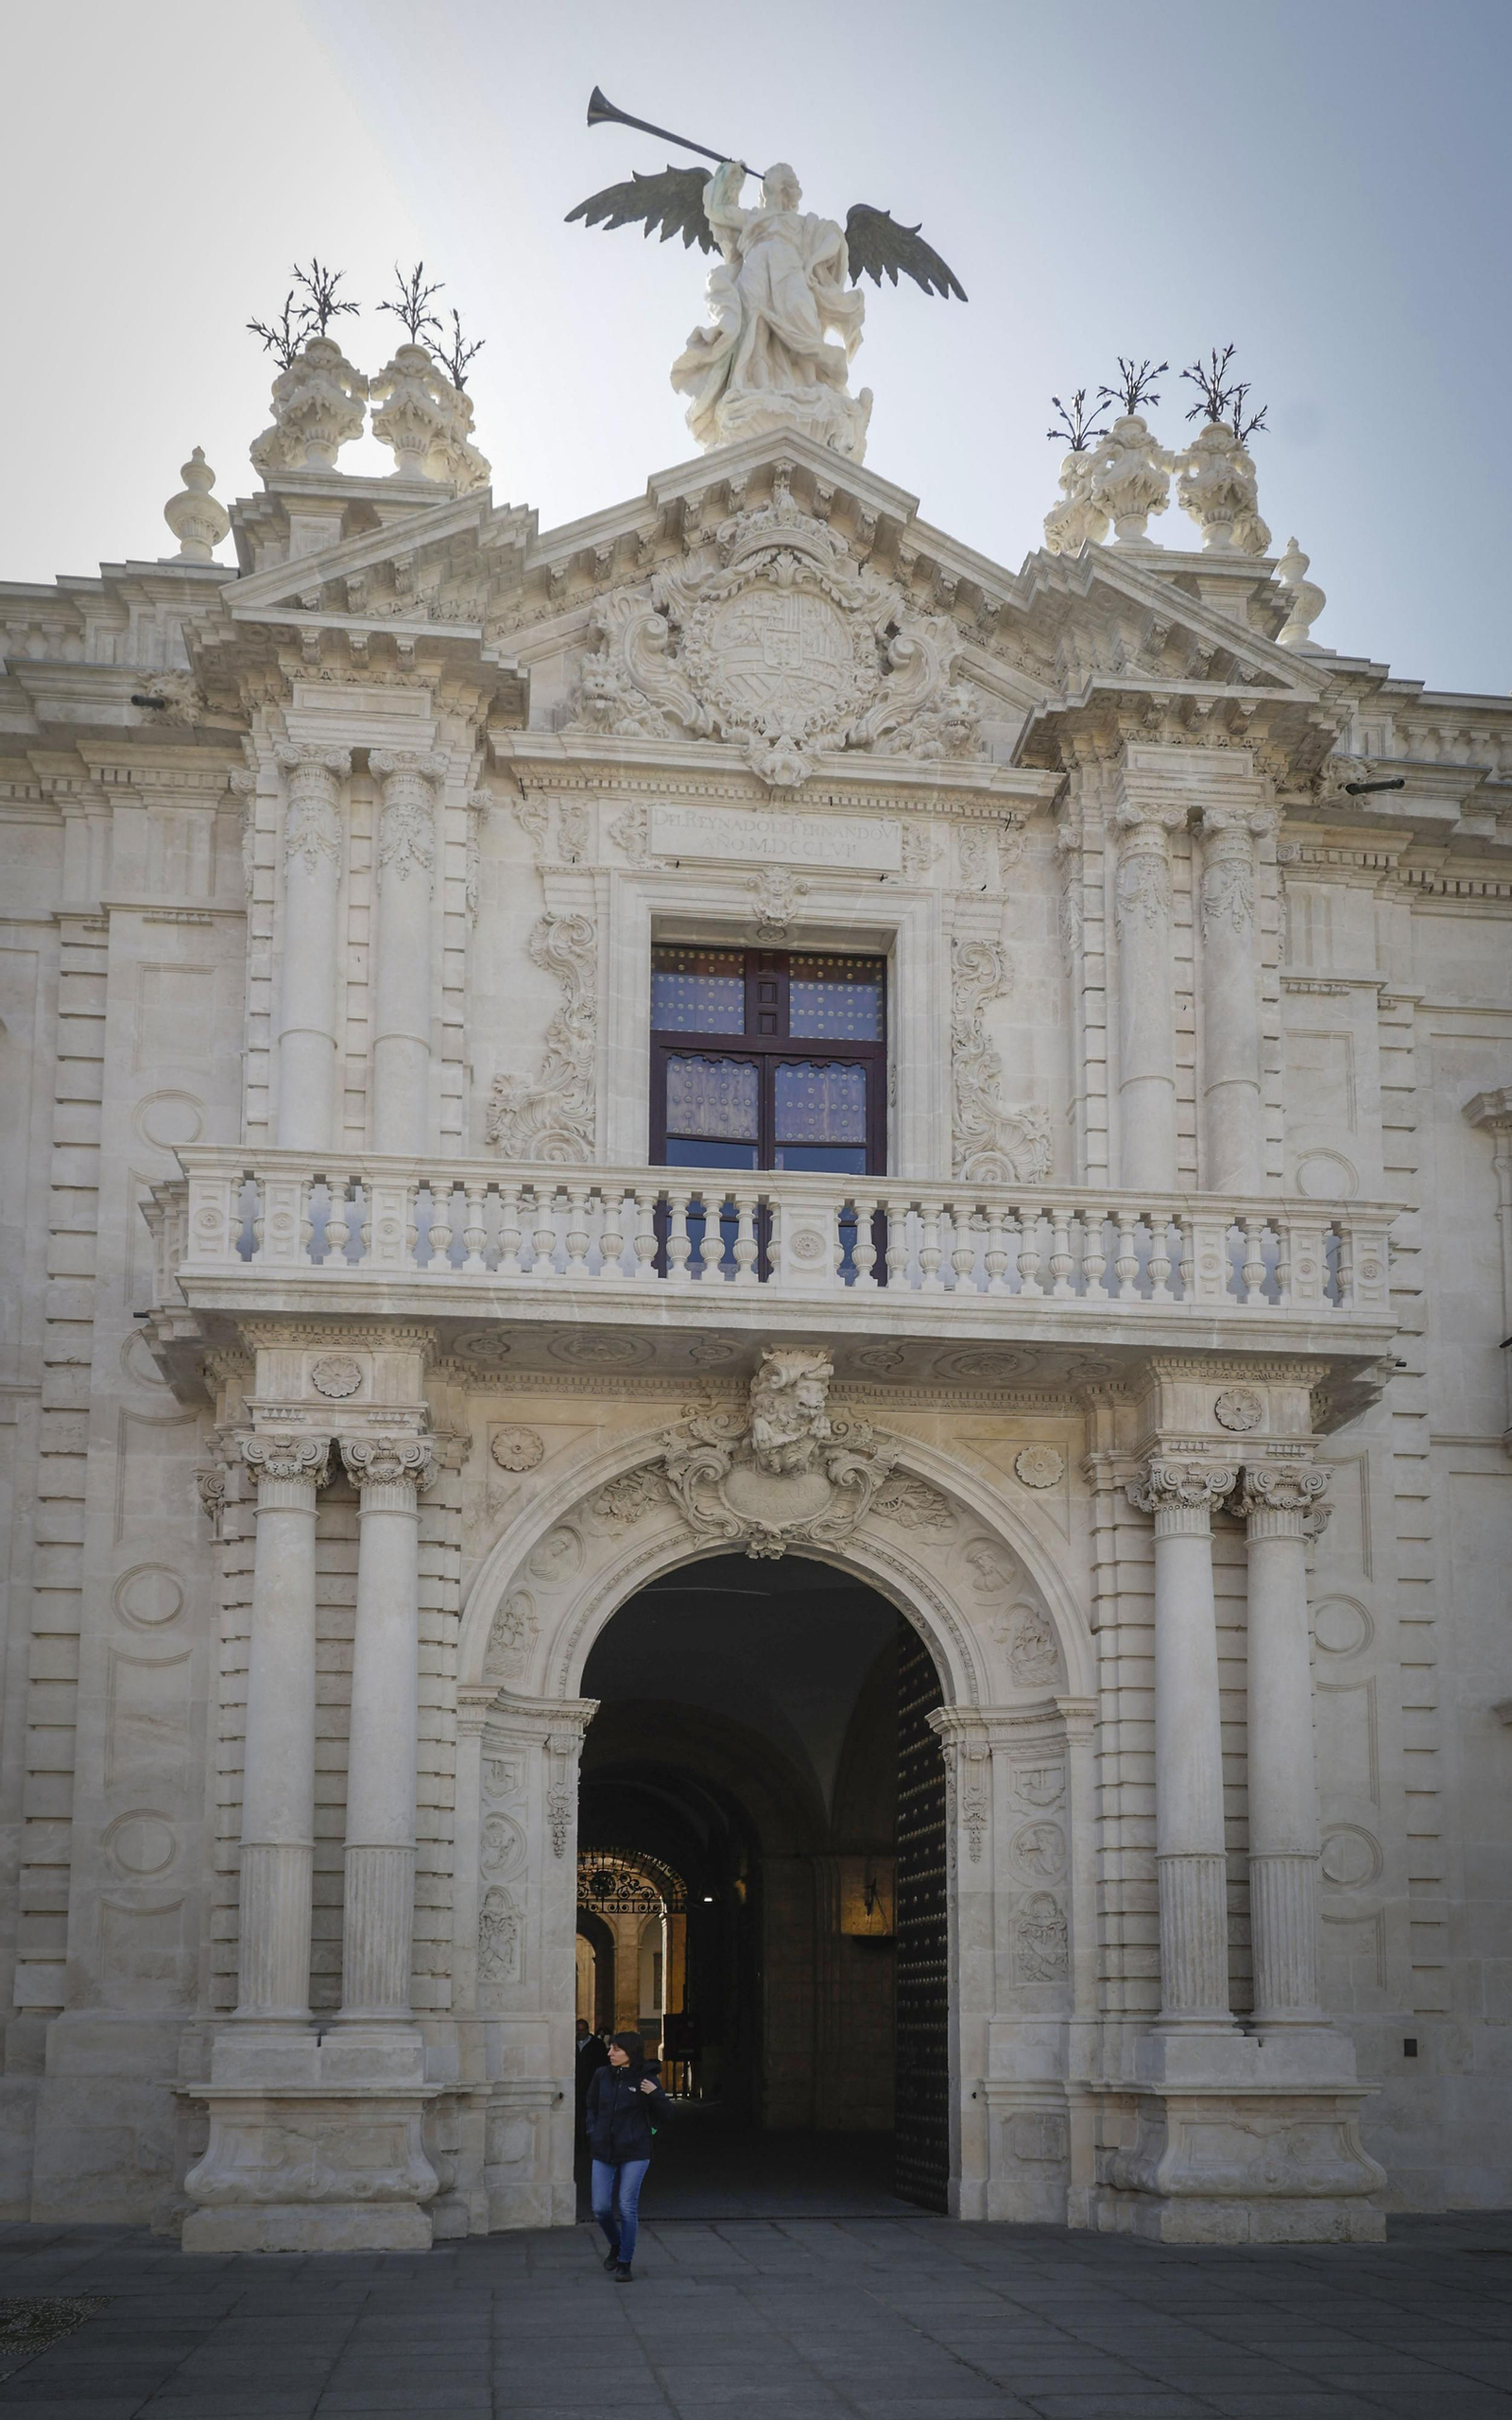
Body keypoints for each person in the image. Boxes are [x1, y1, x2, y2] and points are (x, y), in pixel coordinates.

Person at [585, 2030, 672, 2281]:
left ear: (630, 2054)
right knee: (600, 2208)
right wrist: (593, 2130)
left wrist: (654, 2094)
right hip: (603, 2149)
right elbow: (590, 2105)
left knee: (626, 2205)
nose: (610, 2053)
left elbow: (666, 2114)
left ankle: (625, 2261)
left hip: (635, 2150)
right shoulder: (601, 2076)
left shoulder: (646, 2079)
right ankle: (616, 2243)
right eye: (610, 2048)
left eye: (616, 2049)